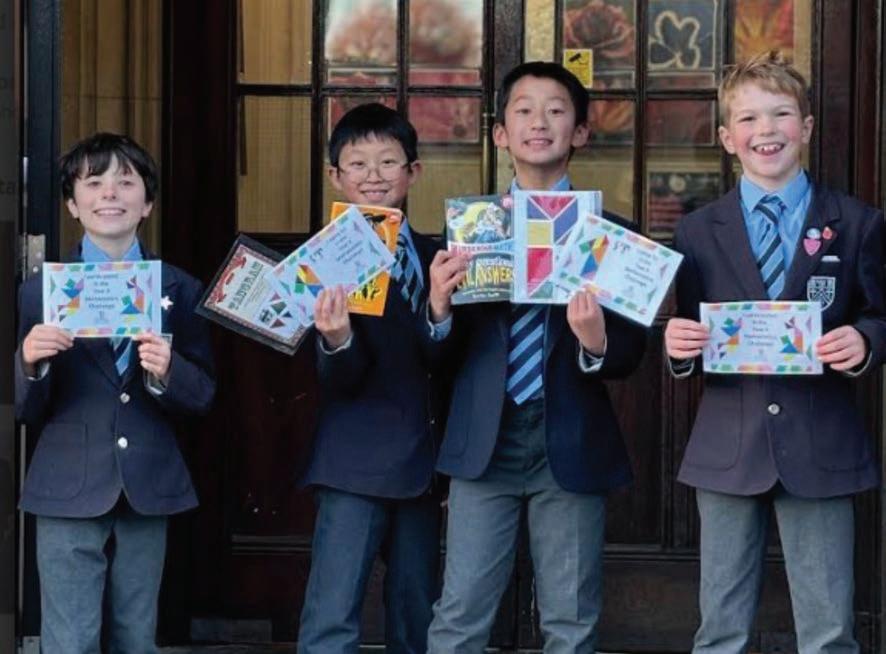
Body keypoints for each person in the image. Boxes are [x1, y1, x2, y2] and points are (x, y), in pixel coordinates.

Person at [664, 51, 886, 652]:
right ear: (726, 138)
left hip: (821, 442)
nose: (766, 130)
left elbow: (879, 314)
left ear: (806, 127)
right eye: (748, 118)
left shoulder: (857, 222)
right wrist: (678, 346)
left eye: (781, 114)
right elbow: (686, 327)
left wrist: (866, 339)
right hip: (727, 445)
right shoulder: (695, 231)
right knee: (720, 628)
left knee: (829, 629)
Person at [425, 61, 647, 653]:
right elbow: (439, 353)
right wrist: (439, 307)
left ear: (581, 132)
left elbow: (631, 352)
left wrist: (596, 340)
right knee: (460, 613)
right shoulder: (469, 229)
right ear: (501, 134)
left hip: (569, 439)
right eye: (523, 110)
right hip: (484, 440)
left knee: (570, 620)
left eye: (556, 110)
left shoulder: (609, 233)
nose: (539, 122)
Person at [15, 132, 216, 653]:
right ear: (72, 204)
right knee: (70, 640)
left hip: (149, 483)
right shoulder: (39, 292)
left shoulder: (179, 289)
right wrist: (30, 364)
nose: (110, 193)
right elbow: (24, 408)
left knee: (136, 636)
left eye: (126, 182)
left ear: (147, 203)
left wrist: (169, 371)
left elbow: (203, 395)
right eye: (93, 182)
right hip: (67, 484)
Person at [297, 103, 444, 654]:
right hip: (352, 462)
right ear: (335, 176)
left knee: (417, 614)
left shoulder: (438, 256)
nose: (374, 175)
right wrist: (337, 339)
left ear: (413, 171)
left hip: (425, 462)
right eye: (357, 164)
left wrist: (440, 311)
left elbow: (450, 360)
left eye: (388, 161)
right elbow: (329, 377)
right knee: (332, 617)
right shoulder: (318, 262)